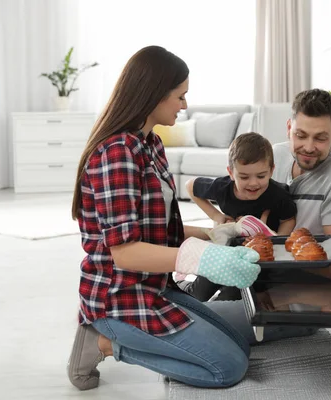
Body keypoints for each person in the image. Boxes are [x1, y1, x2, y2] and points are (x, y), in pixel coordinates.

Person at [66, 45, 314, 392]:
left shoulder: (149, 144)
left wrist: (221, 233)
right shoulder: (116, 154)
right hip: (120, 298)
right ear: (153, 94)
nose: (184, 105)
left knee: (240, 343)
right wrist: (204, 257)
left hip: (155, 288)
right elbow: (125, 252)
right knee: (228, 367)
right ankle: (104, 343)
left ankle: (120, 336)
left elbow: (157, 230)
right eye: (180, 96)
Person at [177, 132, 297, 301]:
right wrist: (216, 215)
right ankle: (181, 285)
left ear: (271, 171)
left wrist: (275, 242)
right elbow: (190, 186)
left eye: (261, 176)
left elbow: (288, 219)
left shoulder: (279, 195)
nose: (253, 183)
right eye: (244, 177)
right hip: (225, 251)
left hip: (255, 259)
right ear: (231, 173)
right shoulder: (222, 188)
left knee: (230, 297)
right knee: (198, 294)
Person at [269, 88, 331, 283]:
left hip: (307, 294)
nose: (309, 147)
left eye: (320, 138)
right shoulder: (272, 157)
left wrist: (269, 261)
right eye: (300, 135)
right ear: (289, 128)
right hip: (255, 282)